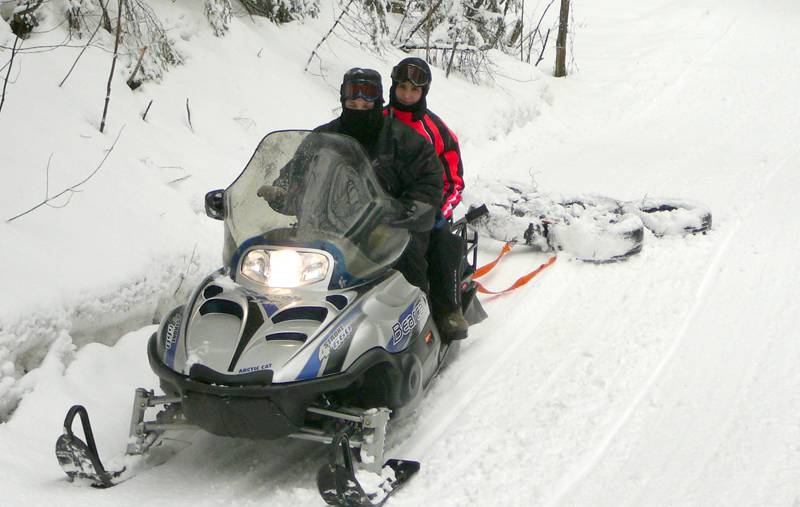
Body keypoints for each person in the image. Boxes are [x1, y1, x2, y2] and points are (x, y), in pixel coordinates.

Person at [304, 68, 444, 293]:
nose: (359, 108)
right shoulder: (322, 138)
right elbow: (295, 174)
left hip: (389, 229)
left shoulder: (406, 141)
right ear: (343, 99)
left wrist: (406, 211)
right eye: (353, 103)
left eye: (367, 104)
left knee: (408, 269)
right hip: (326, 229)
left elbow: (429, 182)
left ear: (379, 100)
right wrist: (278, 192)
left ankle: (421, 315)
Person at [386, 57, 469, 340]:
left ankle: (447, 310)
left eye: (414, 90)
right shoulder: (377, 122)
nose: (407, 95)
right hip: (379, 208)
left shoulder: (436, 130)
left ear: (424, 93)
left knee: (443, 243)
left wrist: (438, 212)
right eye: (403, 87)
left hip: (425, 211)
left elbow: (454, 181)